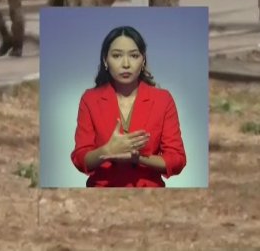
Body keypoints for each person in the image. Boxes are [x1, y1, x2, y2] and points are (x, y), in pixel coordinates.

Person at [70, 26, 186, 188]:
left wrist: (138, 158)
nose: (126, 64)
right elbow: (80, 158)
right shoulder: (90, 99)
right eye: (117, 56)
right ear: (105, 60)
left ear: (143, 59)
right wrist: (107, 151)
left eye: (133, 56)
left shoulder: (162, 99)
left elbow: (177, 159)